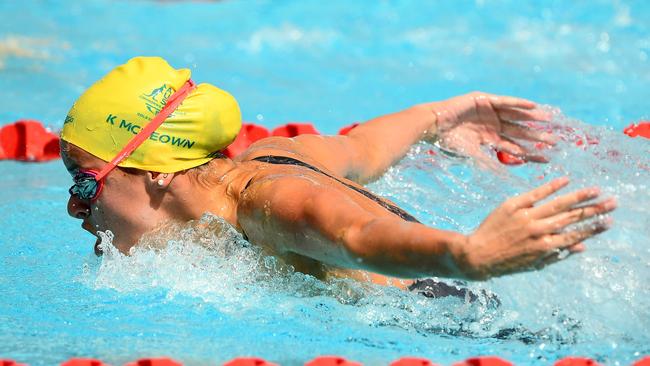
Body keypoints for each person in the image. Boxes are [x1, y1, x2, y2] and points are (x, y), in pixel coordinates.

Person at [61, 57, 616, 291]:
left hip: (451, 321)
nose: (75, 208)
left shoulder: (268, 204)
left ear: (159, 170)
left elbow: (356, 235)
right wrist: (440, 116)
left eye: (86, 184)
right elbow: (361, 147)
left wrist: (468, 255)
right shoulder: (276, 154)